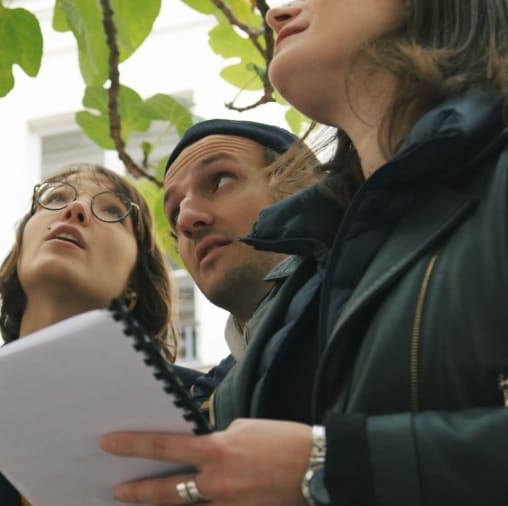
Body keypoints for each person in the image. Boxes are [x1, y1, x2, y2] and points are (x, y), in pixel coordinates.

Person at [101, 1, 508, 505]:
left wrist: (329, 466)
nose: (277, 14)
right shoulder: (308, 291)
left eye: (221, 180)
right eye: (172, 212)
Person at [0, 163, 190, 506]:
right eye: (56, 198)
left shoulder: (198, 402)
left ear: (133, 282)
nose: (75, 209)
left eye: (113, 210)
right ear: (19, 251)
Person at [162, 119, 320, 397]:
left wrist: (316, 443)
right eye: (175, 213)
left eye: (220, 181)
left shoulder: (383, 299)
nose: (186, 219)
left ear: (302, 187)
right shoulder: (205, 404)